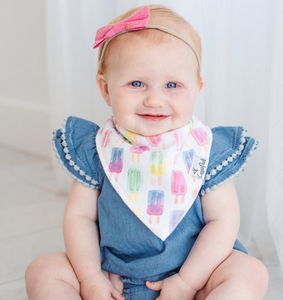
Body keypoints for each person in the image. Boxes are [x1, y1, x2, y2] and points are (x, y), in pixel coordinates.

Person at [25, 5, 269, 300]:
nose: (155, 99)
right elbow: (79, 217)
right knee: (43, 270)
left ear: (197, 88)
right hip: (111, 278)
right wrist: (90, 278)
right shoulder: (97, 149)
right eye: (136, 83)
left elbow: (223, 222)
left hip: (192, 276)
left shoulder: (204, 150)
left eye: (173, 85)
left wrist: (187, 282)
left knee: (251, 271)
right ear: (105, 89)